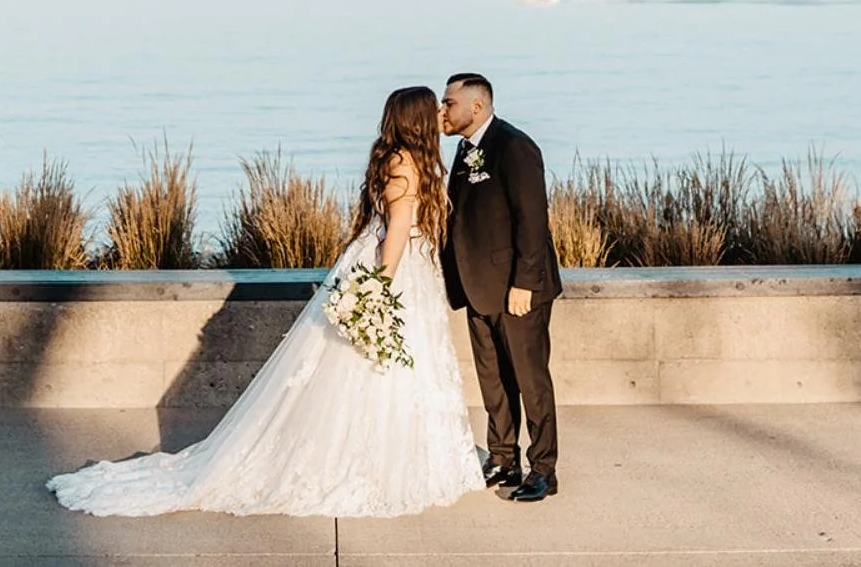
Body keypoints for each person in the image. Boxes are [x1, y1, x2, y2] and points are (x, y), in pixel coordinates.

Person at [47, 85, 484, 518]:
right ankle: (379, 460)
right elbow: (395, 238)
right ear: (417, 120)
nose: (441, 115)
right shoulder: (408, 166)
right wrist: (379, 292)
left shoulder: (393, 159)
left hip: (394, 269)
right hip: (396, 274)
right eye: (435, 109)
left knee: (371, 367)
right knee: (383, 366)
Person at [439, 72, 563, 502]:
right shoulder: (464, 149)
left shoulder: (515, 147)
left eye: (448, 103)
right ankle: (503, 457)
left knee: (531, 381)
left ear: (476, 106)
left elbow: (533, 220)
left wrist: (525, 283)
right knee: (492, 381)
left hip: (517, 289)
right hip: (477, 288)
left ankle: (543, 468)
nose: (442, 112)